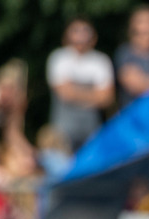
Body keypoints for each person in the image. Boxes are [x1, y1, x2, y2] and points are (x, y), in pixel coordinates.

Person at [46, 18, 116, 152]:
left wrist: (74, 91)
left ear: (94, 37)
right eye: (76, 31)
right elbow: (65, 94)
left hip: (92, 131)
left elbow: (107, 98)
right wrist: (94, 96)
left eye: (85, 31)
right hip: (62, 132)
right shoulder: (59, 58)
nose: (80, 35)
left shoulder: (101, 61)